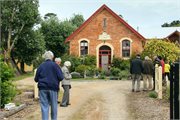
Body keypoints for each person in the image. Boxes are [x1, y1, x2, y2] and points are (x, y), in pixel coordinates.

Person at [34, 51, 64, 120]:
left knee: (44, 106)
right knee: (54, 106)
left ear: (44, 57)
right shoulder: (55, 65)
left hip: (42, 88)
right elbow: (61, 77)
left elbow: (36, 79)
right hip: (53, 88)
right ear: (52, 57)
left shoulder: (41, 66)